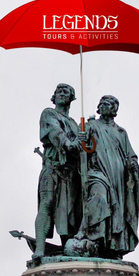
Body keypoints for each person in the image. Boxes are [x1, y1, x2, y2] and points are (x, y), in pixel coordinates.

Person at [73, 95, 139, 258]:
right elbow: (81, 138)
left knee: (118, 210)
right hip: (97, 171)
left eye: (108, 104)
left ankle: (112, 245)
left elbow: (131, 155)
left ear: (115, 109)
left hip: (118, 176)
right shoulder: (92, 125)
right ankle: (93, 236)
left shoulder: (121, 132)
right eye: (102, 103)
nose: (104, 106)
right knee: (99, 196)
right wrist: (80, 136)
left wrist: (132, 164)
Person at [33, 83, 83, 258]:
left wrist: (84, 139)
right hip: (52, 167)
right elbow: (55, 133)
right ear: (54, 97)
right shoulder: (49, 113)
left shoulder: (75, 125)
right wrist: (70, 144)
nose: (62, 94)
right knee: (47, 204)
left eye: (66, 92)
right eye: (59, 92)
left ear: (71, 98)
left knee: (68, 213)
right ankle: (39, 248)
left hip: (70, 173)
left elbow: (81, 150)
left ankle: (67, 247)